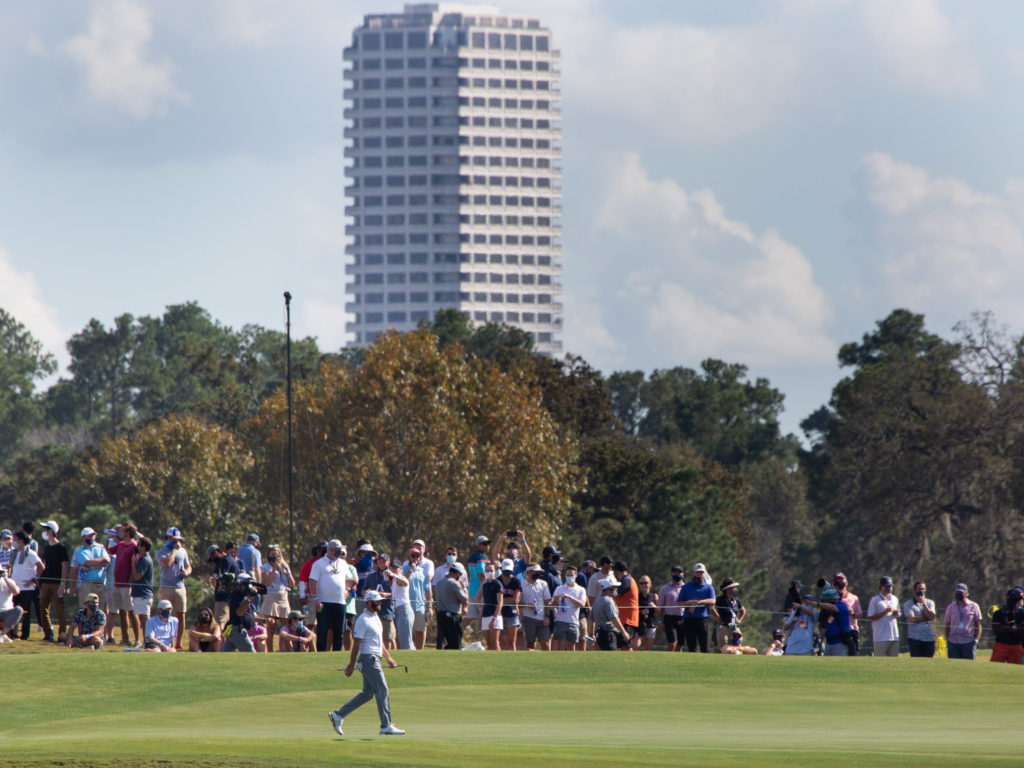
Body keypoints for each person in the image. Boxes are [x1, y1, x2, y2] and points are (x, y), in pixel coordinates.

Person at [328, 590, 405, 736]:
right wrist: (351, 664)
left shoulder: (376, 618)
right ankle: (385, 725)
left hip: (375, 657)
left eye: (380, 601)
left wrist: (388, 657)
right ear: (369, 602)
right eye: (377, 601)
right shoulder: (363, 619)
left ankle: (338, 715)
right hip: (368, 659)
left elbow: (379, 642)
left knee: (368, 693)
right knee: (382, 690)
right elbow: (356, 643)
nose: (380, 603)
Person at [309, 539, 355, 652]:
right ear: (330, 550)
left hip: (340, 602)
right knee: (323, 631)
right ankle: (321, 655)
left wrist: (347, 590)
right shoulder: (319, 564)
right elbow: (312, 581)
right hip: (323, 603)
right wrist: (315, 598)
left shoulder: (343, 564)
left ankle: (337, 654)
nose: (340, 552)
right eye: (337, 550)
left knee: (339, 632)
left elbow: (351, 579)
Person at [156, 527, 191, 650]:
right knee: (164, 614)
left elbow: (188, 566)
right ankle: (164, 640)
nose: (176, 541)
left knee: (181, 614)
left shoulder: (183, 551)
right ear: (168, 538)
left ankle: (179, 642)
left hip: (180, 586)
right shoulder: (161, 551)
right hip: (166, 587)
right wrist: (174, 551)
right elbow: (167, 563)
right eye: (174, 539)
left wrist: (186, 572)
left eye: (178, 539)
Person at [106, 523, 138, 647]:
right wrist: (107, 539)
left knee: (131, 612)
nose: (120, 532)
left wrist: (130, 582)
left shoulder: (133, 546)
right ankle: (125, 639)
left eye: (122, 530)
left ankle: (137, 640)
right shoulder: (120, 545)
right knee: (122, 612)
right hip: (117, 584)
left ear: (128, 533)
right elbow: (108, 550)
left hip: (126, 585)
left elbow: (134, 564)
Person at [37, 521, 69, 643]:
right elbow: (45, 565)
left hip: (57, 583)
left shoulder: (61, 547)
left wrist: (62, 583)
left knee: (60, 609)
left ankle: (62, 635)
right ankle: (48, 633)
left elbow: (65, 566)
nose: (44, 532)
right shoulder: (47, 548)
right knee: (43, 608)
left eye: (46, 529)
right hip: (46, 582)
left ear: (51, 531)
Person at [260, 544, 295, 651]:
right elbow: (267, 582)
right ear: (268, 555)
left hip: (283, 596)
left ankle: (287, 650)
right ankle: (270, 651)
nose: (275, 556)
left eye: (277, 554)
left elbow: (292, 584)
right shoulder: (266, 567)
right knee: (271, 626)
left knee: (286, 625)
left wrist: (287, 571)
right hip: (271, 596)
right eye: (273, 554)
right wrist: (274, 568)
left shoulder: (284, 566)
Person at [10, 530, 43, 640]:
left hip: (26, 588)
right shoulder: (14, 553)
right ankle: (11, 633)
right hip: (15, 587)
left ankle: (25, 635)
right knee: (13, 611)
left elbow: (41, 567)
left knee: (26, 612)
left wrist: (33, 580)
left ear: (22, 541)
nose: (13, 541)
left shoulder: (30, 553)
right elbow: (11, 568)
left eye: (15, 539)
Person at [70, 527, 110, 613]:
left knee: (103, 610)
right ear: (83, 538)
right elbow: (88, 562)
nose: (92, 537)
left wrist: (92, 567)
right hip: (86, 583)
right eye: (89, 536)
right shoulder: (79, 551)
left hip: (101, 583)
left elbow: (107, 560)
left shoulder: (101, 547)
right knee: (85, 610)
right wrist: (100, 562)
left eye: (93, 535)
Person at [677, 563, 716, 653]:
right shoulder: (686, 587)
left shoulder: (708, 587)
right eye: (697, 573)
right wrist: (689, 603)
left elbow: (712, 601)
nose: (699, 575)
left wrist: (698, 602)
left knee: (705, 648)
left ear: (704, 574)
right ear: (694, 573)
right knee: (692, 648)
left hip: (702, 620)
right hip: (689, 620)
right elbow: (679, 603)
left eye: (701, 573)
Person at [362, 553, 398, 649]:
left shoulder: (393, 577)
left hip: (387, 611)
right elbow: (363, 590)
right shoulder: (371, 576)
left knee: (388, 638)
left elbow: (396, 593)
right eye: (379, 562)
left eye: (384, 562)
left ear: (388, 563)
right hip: (373, 612)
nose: (381, 564)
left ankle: (389, 658)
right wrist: (368, 593)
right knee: (374, 637)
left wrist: (384, 594)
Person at [552, 564, 587, 651]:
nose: (569, 577)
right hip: (560, 620)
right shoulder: (559, 588)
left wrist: (570, 597)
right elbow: (552, 605)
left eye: (571, 575)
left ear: (576, 576)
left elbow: (582, 604)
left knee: (572, 646)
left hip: (574, 621)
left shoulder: (581, 589)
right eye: (567, 575)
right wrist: (556, 600)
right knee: (560, 645)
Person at [943, 582, 982, 660]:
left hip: (968, 642)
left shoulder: (974, 606)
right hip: (953, 642)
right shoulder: (950, 607)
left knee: (968, 667)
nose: (958, 594)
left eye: (961, 593)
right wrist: (948, 639)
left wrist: (975, 640)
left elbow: (978, 625)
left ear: (966, 593)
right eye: (957, 592)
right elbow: (947, 625)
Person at [435, 562, 468, 649]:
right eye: (460, 574)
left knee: (440, 644)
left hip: (440, 615)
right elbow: (464, 599)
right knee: (455, 644)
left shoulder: (439, 583)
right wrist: (464, 588)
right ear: (457, 573)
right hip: (452, 617)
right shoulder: (454, 583)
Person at [221, 578, 259, 652]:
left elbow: (247, 615)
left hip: (233, 629)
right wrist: (249, 599)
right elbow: (239, 613)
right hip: (237, 630)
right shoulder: (238, 596)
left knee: (225, 654)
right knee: (251, 653)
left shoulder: (240, 596)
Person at [520, 562, 552, 650]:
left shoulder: (543, 584)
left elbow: (547, 601)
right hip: (528, 618)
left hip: (542, 618)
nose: (539, 574)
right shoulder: (522, 585)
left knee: (545, 643)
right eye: (536, 572)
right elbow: (517, 602)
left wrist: (547, 616)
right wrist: (527, 605)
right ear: (529, 572)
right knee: (530, 644)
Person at [866, 576, 901, 657]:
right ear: (881, 587)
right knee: (879, 661)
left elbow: (899, 617)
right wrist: (885, 612)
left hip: (894, 637)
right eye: (887, 586)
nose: (889, 588)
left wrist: (896, 614)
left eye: (890, 586)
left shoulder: (895, 599)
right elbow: (870, 617)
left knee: (893, 662)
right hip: (880, 637)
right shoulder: (875, 600)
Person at [592, 577, 630, 650]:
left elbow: (591, 619)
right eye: (615, 587)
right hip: (608, 634)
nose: (616, 589)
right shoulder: (608, 601)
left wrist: (591, 634)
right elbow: (614, 618)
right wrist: (624, 632)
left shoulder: (597, 600)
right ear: (610, 588)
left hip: (599, 634)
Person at [208, 543, 240, 628]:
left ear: (215, 553)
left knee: (219, 624)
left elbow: (225, 578)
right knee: (226, 625)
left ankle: (219, 641)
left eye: (212, 557)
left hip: (224, 598)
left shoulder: (225, 560)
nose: (212, 560)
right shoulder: (227, 560)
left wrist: (213, 580)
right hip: (227, 598)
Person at [404, 548, 430, 649]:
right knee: (407, 632)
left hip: (420, 606)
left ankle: (419, 652)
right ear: (408, 557)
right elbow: (402, 582)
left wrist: (429, 606)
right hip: (406, 606)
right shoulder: (403, 569)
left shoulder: (423, 572)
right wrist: (411, 570)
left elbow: (428, 590)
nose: (415, 558)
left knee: (420, 631)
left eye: (417, 556)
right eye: (413, 556)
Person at [130, 537, 154, 647]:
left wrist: (133, 564)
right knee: (142, 618)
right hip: (140, 593)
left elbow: (138, 576)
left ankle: (147, 641)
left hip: (143, 594)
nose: (137, 547)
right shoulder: (143, 558)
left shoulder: (144, 559)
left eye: (139, 544)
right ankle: (146, 641)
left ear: (143, 547)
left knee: (145, 619)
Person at [299, 541, 327, 631]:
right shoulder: (309, 563)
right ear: (317, 550)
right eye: (320, 549)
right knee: (310, 623)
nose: (322, 552)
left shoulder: (330, 563)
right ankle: (305, 643)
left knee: (326, 624)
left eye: (325, 550)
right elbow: (302, 580)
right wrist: (302, 596)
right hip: (312, 597)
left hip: (327, 598)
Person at [903, 581, 937, 658]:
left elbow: (931, 617)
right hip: (915, 639)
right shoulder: (908, 604)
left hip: (929, 639)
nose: (921, 591)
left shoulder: (930, 603)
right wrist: (925, 617)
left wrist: (923, 603)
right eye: (919, 589)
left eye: (923, 589)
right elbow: (912, 619)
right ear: (914, 591)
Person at [990, 589, 1024, 664]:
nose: (1012, 601)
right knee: (995, 667)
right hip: (1000, 644)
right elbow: (995, 630)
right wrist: (1013, 629)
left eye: (1014, 599)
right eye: (1010, 598)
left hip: (1016, 645)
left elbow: (1022, 630)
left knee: (1015, 670)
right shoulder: (998, 613)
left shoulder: (1021, 613)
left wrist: (1004, 627)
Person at [832, 572, 863, 655]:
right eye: (836, 580)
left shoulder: (853, 598)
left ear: (846, 583)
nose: (839, 582)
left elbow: (860, 614)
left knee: (852, 654)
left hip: (851, 630)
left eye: (841, 580)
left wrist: (852, 613)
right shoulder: (830, 598)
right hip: (836, 631)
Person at [465, 535, 491, 632]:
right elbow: (481, 574)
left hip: (471, 591)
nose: (487, 546)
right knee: (485, 617)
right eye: (484, 544)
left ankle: (454, 637)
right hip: (481, 592)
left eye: (488, 544)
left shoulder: (472, 557)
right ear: (478, 545)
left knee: (468, 618)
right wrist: (487, 589)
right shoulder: (481, 557)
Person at [657, 565, 686, 652]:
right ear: (672, 573)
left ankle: (677, 662)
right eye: (675, 572)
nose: (677, 574)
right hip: (669, 618)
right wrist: (659, 621)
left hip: (682, 618)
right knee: (672, 643)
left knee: (680, 644)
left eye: (679, 572)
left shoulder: (686, 588)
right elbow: (660, 607)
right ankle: (667, 660)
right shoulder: (664, 589)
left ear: (683, 574)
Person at [612, 561, 639, 650]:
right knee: (623, 645)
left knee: (626, 646)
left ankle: (631, 663)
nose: (614, 574)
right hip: (624, 619)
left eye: (615, 571)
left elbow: (616, 593)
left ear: (618, 571)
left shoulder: (627, 579)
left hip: (628, 620)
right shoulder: (624, 580)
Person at [714, 578, 746, 652]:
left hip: (734, 627)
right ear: (727, 589)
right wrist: (717, 617)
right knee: (724, 647)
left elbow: (743, 610)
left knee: (737, 646)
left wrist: (740, 619)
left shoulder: (736, 600)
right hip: (724, 626)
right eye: (732, 588)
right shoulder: (720, 599)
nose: (734, 590)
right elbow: (712, 608)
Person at [818, 588, 853, 656]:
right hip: (829, 642)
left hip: (840, 642)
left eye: (826, 601)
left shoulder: (841, 606)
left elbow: (833, 607)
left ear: (832, 600)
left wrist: (817, 604)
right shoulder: (827, 611)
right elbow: (823, 627)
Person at [497, 559, 522, 650]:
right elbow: (495, 600)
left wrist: (501, 600)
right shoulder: (497, 581)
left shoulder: (516, 581)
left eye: (509, 571)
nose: (507, 574)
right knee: (502, 643)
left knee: (512, 642)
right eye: (505, 571)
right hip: (500, 614)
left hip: (512, 614)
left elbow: (516, 600)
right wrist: (505, 600)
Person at [478, 561, 504, 650]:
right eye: (487, 570)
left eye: (491, 570)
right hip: (485, 615)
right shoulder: (485, 585)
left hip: (495, 616)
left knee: (495, 643)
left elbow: (500, 602)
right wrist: (480, 617)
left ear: (495, 570)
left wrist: (494, 617)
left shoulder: (498, 584)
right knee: (488, 644)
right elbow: (483, 602)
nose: (489, 572)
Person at [0, 565, 24, 643]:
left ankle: (2, 634)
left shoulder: (9, 581)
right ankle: (3, 635)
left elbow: (16, 592)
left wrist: (6, 579)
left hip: (6, 611)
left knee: (18, 610)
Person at [635, 574, 658, 651]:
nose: (644, 585)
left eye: (646, 583)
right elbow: (632, 611)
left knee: (647, 649)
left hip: (651, 624)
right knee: (636, 646)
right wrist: (641, 612)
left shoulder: (654, 596)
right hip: (639, 623)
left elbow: (660, 612)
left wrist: (654, 606)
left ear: (650, 584)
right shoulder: (636, 597)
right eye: (641, 583)